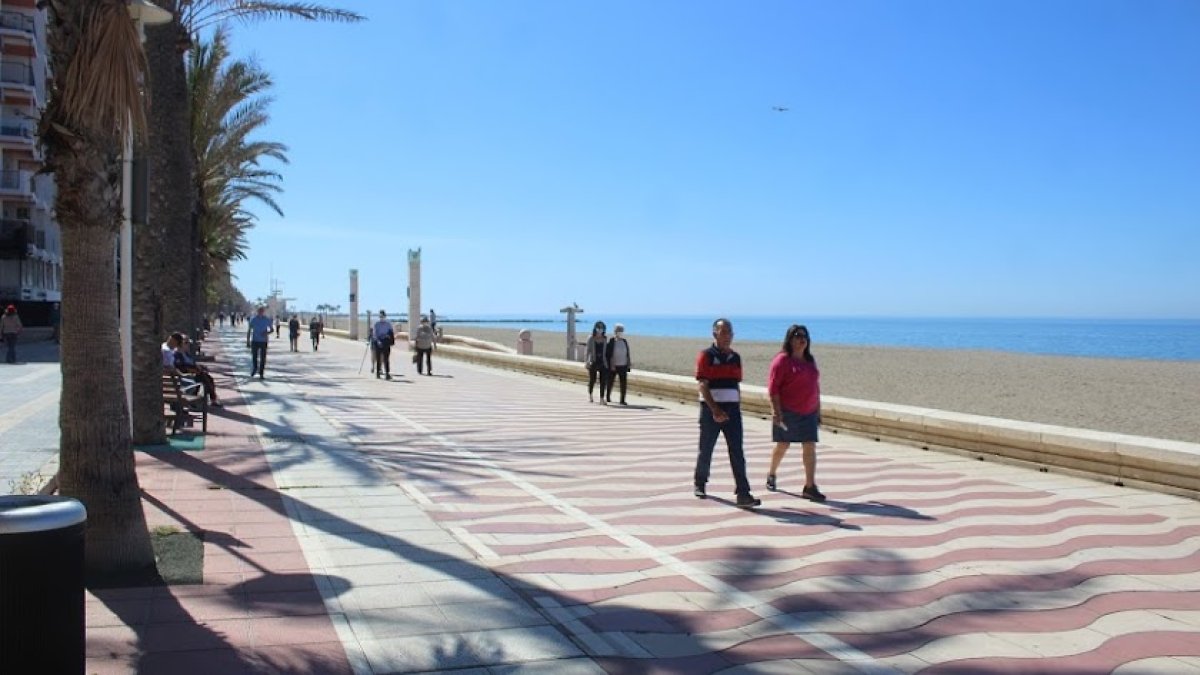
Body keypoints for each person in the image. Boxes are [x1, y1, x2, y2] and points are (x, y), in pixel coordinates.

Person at [693, 318, 760, 509]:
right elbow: (703, 385)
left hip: (732, 411)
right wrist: (715, 409)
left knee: (737, 451)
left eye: (730, 332)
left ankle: (743, 492)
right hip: (710, 411)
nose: (727, 336)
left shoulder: (736, 357)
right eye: (723, 332)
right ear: (714, 334)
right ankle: (700, 482)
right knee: (706, 448)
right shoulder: (705, 356)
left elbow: (735, 384)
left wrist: (735, 407)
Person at [766, 325, 825, 501]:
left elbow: (815, 386)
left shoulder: (810, 360)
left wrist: (818, 410)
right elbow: (773, 389)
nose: (801, 339)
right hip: (788, 411)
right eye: (797, 336)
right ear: (789, 339)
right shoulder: (782, 360)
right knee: (783, 445)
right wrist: (776, 412)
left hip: (809, 412)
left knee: (809, 445)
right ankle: (772, 473)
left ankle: (809, 486)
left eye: (804, 336)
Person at [172, 333, 222, 407]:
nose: (188, 345)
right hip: (186, 376)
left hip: (195, 373)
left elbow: (192, 363)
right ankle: (212, 399)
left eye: (188, 343)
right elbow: (181, 367)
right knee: (205, 378)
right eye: (186, 343)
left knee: (207, 378)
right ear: (180, 344)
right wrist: (194, 370)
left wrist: (200, 367)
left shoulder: (186, 353)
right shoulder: (176, 354)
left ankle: (211, 398)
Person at [604, 324, 633, 405]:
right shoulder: (612, 341)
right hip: (614, 365)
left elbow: (627, 352)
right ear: (615, 332)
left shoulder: (624, 341)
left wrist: (629, 362)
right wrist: (611, 364)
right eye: (618, 331)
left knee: (623, 383)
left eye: (621, 331)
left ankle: (622, 400)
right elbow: (608, 354)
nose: (620, 333)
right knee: (610, 381)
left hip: (623, 365)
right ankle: (608, 396)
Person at [584, 321, 609, 404]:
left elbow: (605, 351)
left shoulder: (605, 338)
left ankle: (602, 398)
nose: (600, 330)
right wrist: (587, 361)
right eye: (598, 328)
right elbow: (587, 351)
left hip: (602, 361)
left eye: (601, 328)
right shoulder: (591, 338)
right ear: (595, 328)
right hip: (593, 361)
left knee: (603, 381)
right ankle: (590, 395)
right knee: (592, 380)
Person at [246, 306, 272, 379]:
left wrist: (266, 333)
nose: (260, 312)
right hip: (255, 340)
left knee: (263, 358)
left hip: (263, 341)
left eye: (262, 311)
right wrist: (248, 341)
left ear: (263, 312)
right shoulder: (253, 319)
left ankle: (261, 373)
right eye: (259, 311)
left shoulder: (267, 319)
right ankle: (255, 368)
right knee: (254, 356)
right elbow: (249, 330)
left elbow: (271, 329)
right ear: (258, 312)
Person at [372, 310, 395, 379]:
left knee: (386, 359)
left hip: (386, 342)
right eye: (381, 316)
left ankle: (387, 373)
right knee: (378, 358)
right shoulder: (376, 324)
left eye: (383, 316)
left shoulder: (388, 324)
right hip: (378, 342)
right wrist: (378, 341)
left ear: (385, 317)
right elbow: (375, 334)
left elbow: (391, 332)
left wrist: (389, 337)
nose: (382, 318)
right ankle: (378, 372)